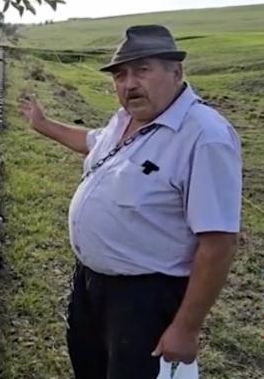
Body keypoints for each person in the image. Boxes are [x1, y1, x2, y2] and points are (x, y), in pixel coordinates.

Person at [18, 24, 242, 379]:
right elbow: (92, 142)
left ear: (176, 72)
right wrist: (43, 125)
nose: (129, 84)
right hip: (92, 286)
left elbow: (218, 244)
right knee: (90, 367)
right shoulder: (126, 119)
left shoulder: (205, 137)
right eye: (120, 75)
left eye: (142, 70)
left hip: (145, 299)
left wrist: (185, 328)